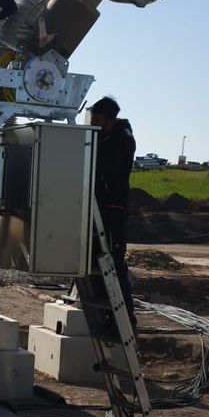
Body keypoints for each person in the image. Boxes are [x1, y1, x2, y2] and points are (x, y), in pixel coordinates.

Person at [88, 96, 137, 329]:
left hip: (114, 208)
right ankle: (106, 313)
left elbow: (104, 166)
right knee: (95, 259)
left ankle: (126, 319)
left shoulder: (121, 140)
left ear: (110, 120)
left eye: (96, 120)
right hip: (101, 206)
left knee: (114, 262)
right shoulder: (106, 137)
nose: (93, 125)